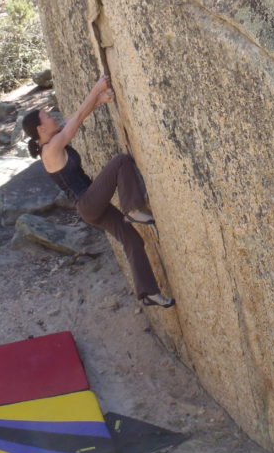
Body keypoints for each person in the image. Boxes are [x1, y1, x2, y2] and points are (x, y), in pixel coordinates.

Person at [22, 76, 175, 308]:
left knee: (132, 240)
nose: (53, 117)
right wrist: (96, 89)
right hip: (87, 203)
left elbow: (77, 117)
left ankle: (149, 293)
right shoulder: (51, 149)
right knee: (122, 161)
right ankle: (132, 209)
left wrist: (100, 100)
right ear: (40, 128)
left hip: (93, 208)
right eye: (48, 117)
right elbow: (78, 118)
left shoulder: (55, 139)